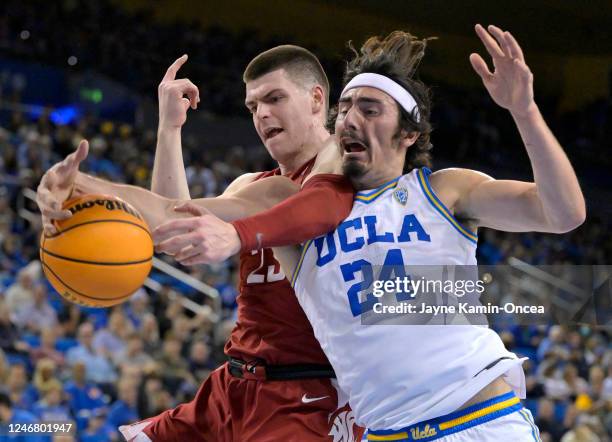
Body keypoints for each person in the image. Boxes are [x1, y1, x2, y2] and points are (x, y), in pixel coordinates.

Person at [157, 25, 586, 439]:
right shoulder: (291, 205)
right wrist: (168, 131)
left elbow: (562, 213)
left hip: (478, 418)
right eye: (345, 108)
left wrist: (524, 111)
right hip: (380, 430)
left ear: (409, 132)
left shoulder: (444, 190)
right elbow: (170, 222)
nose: (349, 118)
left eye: (369, 109)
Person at [36, 48, 361, 441]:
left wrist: (83, 184)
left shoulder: (346, 176)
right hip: (234, 385)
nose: (261, 114)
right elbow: (173, 226)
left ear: (316, 99)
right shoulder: (251, 186)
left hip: (306, 394)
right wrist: (169, 130)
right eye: (252, 105)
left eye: (275, 98)